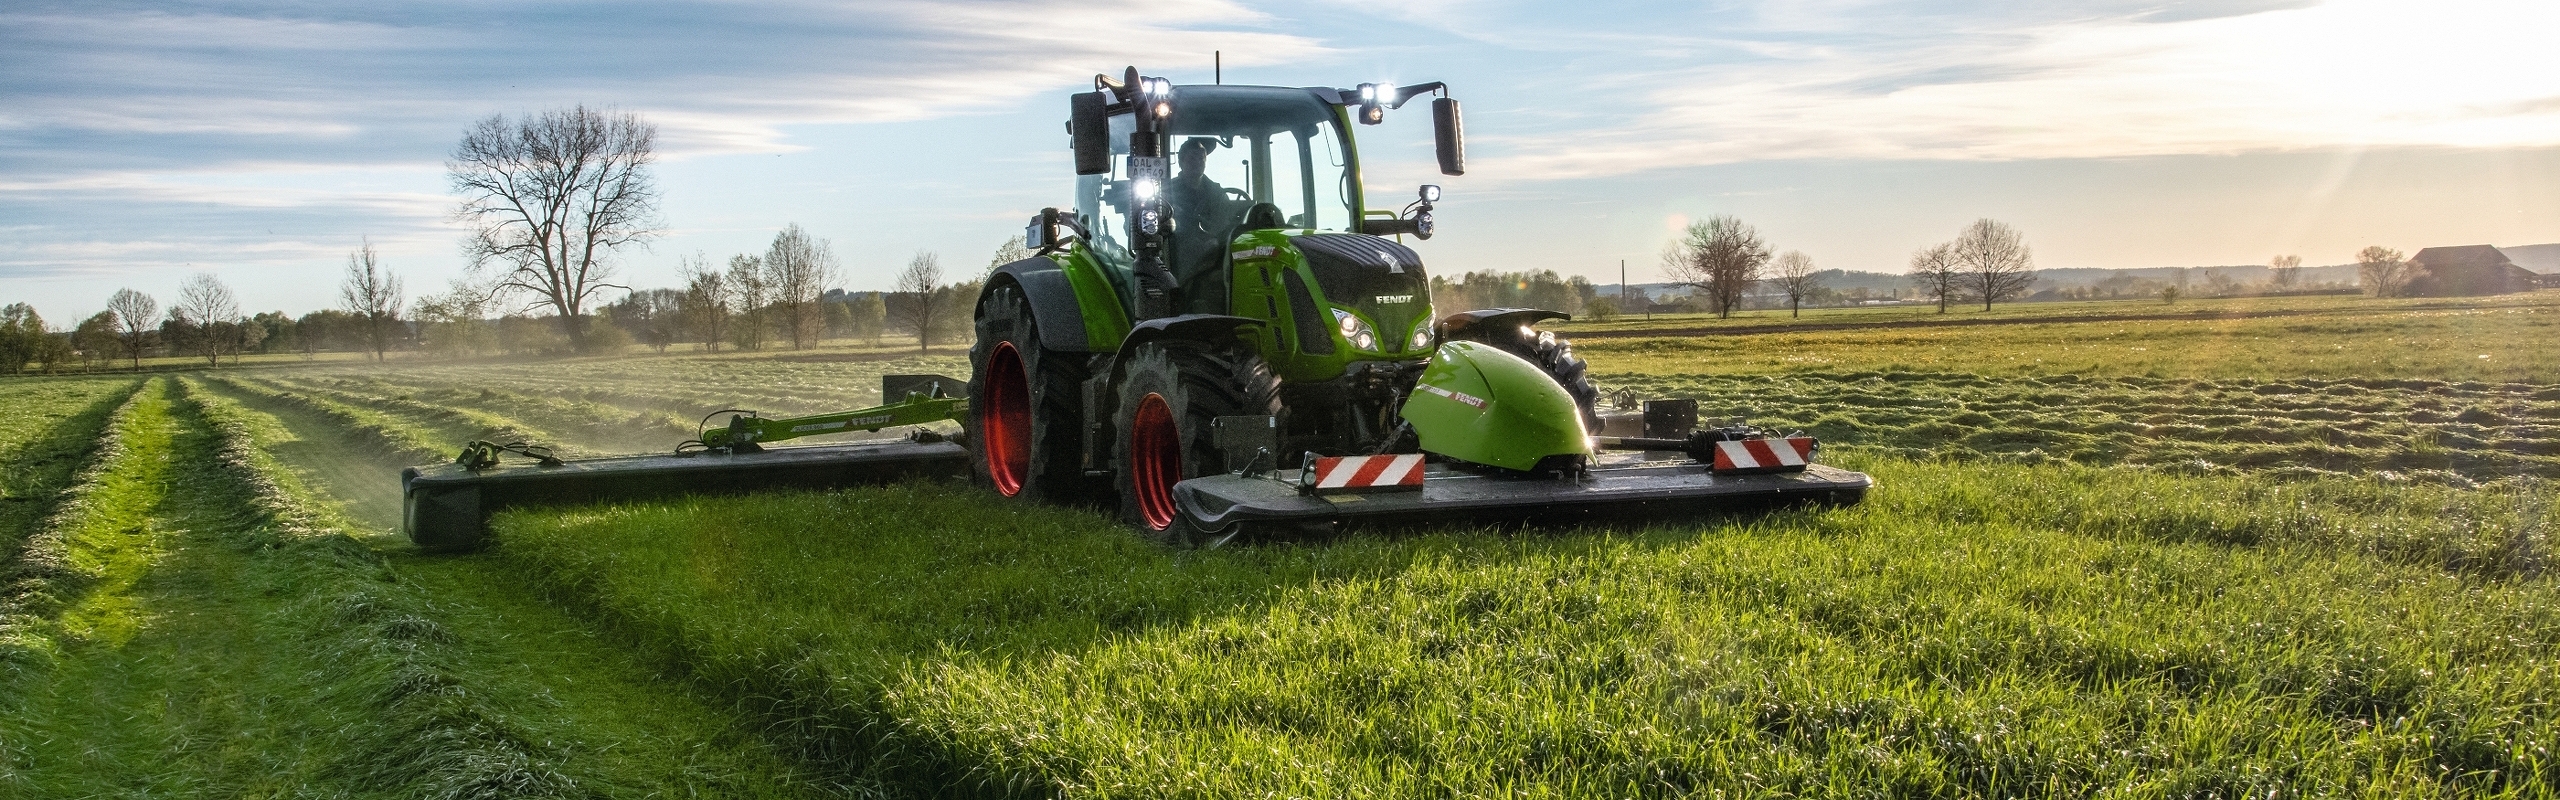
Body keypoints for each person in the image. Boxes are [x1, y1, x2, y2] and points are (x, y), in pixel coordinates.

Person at [1167, 137, 1251, 314]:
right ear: (1181, 161)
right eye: (1192, 158)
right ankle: (1183, 302)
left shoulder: (1216, 191)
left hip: (1214, 249)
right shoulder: (1167, 190)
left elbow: (1226, 221)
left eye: (1201, 158)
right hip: (1178, 251)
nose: (1197, 162)